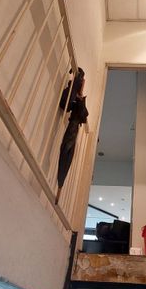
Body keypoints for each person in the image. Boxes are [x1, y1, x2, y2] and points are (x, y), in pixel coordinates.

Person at [55, 68, 88, 204]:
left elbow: (82, 114)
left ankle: (60, 183)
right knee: (66, 151)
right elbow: (67, 105)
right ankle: (60, 183)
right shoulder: (73, 95)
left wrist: (80, 96)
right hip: (72, 127)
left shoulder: (78, 100)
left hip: (73, 128)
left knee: (67, 151)